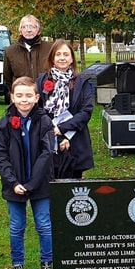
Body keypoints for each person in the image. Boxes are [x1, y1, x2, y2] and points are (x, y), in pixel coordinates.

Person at [0, 77, 57, 269]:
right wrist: (13, 182)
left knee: (44, 225)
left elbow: (47, 154)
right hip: (14, 185)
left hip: (40, 184)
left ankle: (47, 266)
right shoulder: (3, 124)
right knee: (16, 226)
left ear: (37, 97)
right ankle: (17, 266)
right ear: (12, 97)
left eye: (29, 95)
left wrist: (32, 184)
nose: (24, 100)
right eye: (19, 95)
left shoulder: (45, 122)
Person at [35, 39, 96, 179]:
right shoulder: (42, 80)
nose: (62, 58)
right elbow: (38, 109)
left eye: (66, 54)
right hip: (48, 137)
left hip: (75, 139)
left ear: (72, 59)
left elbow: (86, 112)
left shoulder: (83, 82)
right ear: (52, 58)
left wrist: (63, 131)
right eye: (58, 54)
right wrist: (52, 130)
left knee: (72, 187)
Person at [3, 14, 52, 91]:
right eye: (24, 27)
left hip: (45, 96)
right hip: (22, 97)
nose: (28, 30)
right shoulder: (10, 51)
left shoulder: (50, 49)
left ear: (39, 31)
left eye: (32, 27)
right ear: (20, 30)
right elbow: (8, 77)